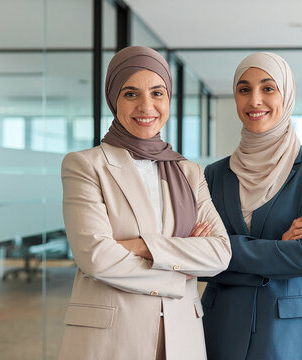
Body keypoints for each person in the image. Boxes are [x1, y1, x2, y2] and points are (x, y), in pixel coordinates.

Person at [59, 46, 231, 360]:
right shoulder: (85, 166)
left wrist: (140, 246)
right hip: (112, 338)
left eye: (157, 93)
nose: (146, 106)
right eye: (130, 94)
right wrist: (182, 268)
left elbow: (219, 254)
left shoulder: (188, 171)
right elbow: (95, 256)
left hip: (182, 334)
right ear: (113, 99)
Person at [200, 52, 302, 360]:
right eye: (244, 89)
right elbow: (200, 260)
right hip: (223, 323)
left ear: (286, 95)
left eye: (268, 88)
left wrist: (226, 250)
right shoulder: (214, 174)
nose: (255, 101)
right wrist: (277, 248)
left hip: (290, 329)